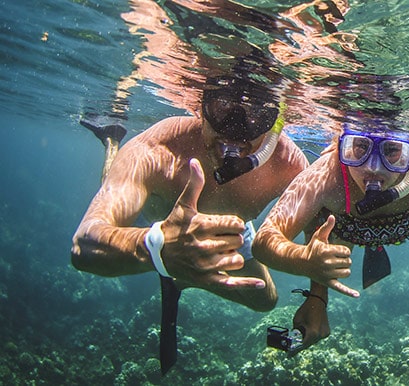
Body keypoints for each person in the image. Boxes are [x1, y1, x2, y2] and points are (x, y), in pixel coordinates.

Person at [70, 76, 309, 373]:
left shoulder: (289, 164)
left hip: (231, 229)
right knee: (111, 190)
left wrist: (318, 299)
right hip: (154, 220)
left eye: (257, 115)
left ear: (276, 123)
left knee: (265, 299)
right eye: (222, 107)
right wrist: (156, 247)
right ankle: (111, 140)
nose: (235, 130)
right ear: (200, 106)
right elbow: (84, 243)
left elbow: (319, 225)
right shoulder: (159, 148)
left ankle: (183, 275)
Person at [252, 113, 409, 349]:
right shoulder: (327, 176)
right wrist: (305, 263)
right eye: (360, 146)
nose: (373, 166)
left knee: (330, 224)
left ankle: (372, 245)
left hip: (398, 219)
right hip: (345, 227)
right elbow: (264, 239)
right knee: (324, 224)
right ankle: (353, 258)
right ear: (343, 145)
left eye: (392, 150)